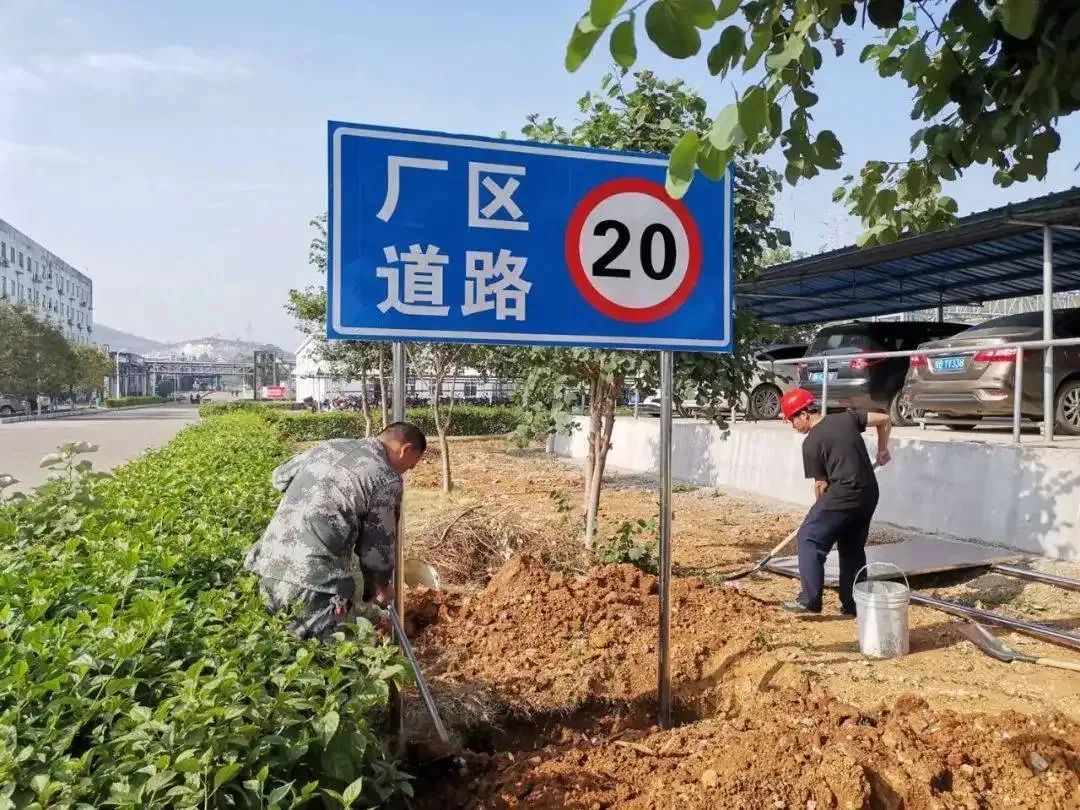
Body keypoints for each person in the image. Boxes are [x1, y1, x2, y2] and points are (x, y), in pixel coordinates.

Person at [244, 421, 427, 640]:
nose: (409, 470)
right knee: (325, 655)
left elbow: (279, 477)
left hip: (268, 563)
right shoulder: (385, 478)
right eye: (411, 465)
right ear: (405, 448)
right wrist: (379, 588)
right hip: (314, 584)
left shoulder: (329, 446)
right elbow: (377, 549)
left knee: (274, 647)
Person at [779, 389, 892, 617]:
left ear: (804, 414)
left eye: (792, 420)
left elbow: (821, 485)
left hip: (842, 494)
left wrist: (819, 510)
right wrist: (882, 448)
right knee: (852, 548)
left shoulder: (811, 443)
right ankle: (853, 604)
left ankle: (810, 600)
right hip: (868, 492)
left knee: (809, 538)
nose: (792, 426)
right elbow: (885, 419)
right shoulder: (847, 418)